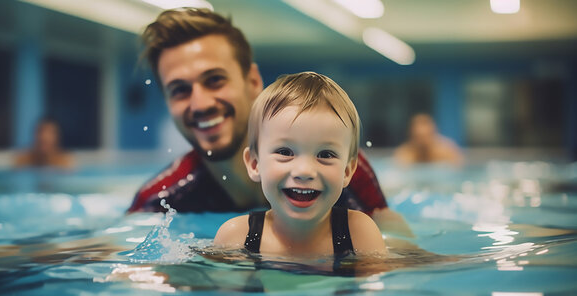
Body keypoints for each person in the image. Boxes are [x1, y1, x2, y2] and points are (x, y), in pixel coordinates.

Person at [129, 8, 412, 237]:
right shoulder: (163, 198)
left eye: (215, 80)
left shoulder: (341, 170)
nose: (200, 103)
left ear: (252, 81)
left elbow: (397, 247)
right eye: (180, 90)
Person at [214, 72, 387, 257]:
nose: (304, 171)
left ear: (347, 171)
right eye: (285, 153)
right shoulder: (237, 238)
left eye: (325, 154)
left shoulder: (358, 234)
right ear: (255, 164)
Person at [394, 113, 463, 166]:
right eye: (419, 136)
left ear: (434, 133)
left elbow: (459, 169)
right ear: (412, 136)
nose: (423, 141)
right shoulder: (405, 154)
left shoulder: (448, 150)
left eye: (426, 136)